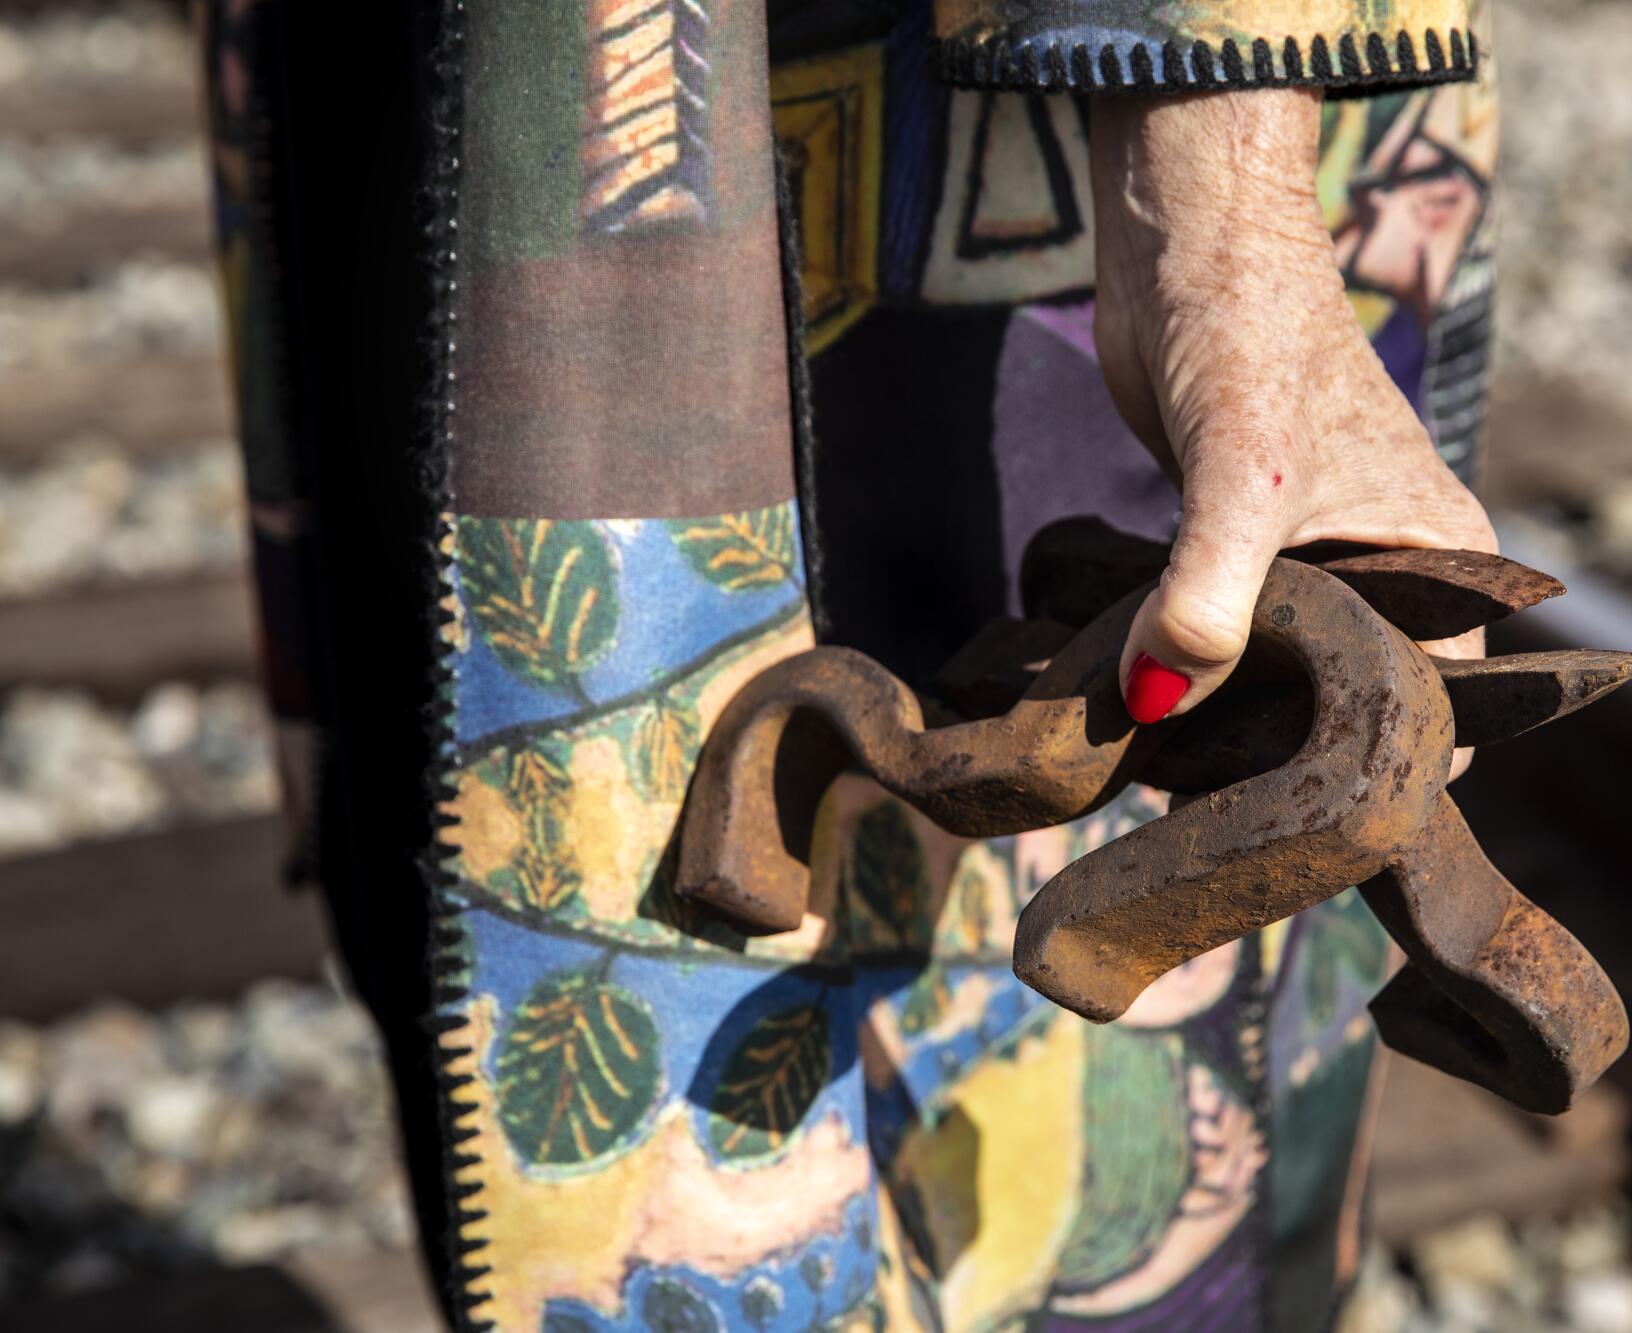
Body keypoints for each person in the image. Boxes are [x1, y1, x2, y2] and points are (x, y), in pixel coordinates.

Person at [199, 0, 1498, 1327]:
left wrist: (1226, 213)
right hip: (475, 118)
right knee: (523, 970)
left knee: (1080, 1146)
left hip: (1008, 142)